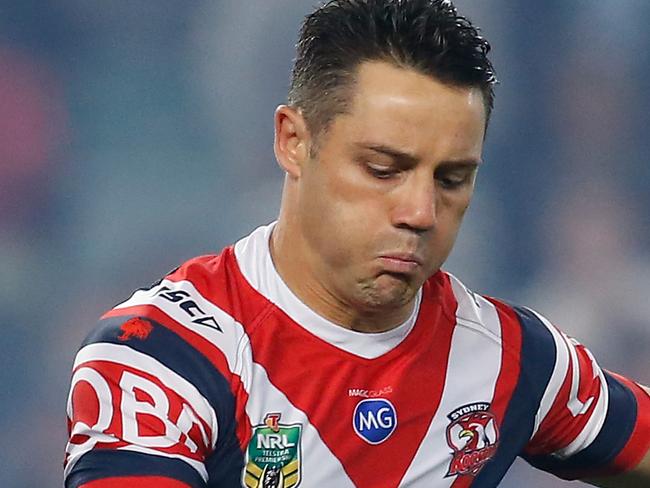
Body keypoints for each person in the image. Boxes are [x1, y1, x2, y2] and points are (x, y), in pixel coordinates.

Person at [63, 1, 649, 487]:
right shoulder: (159, 358)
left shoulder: (515, 360)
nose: (420, 213)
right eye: (382, 169)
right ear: (293, 141)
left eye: (451, 179)